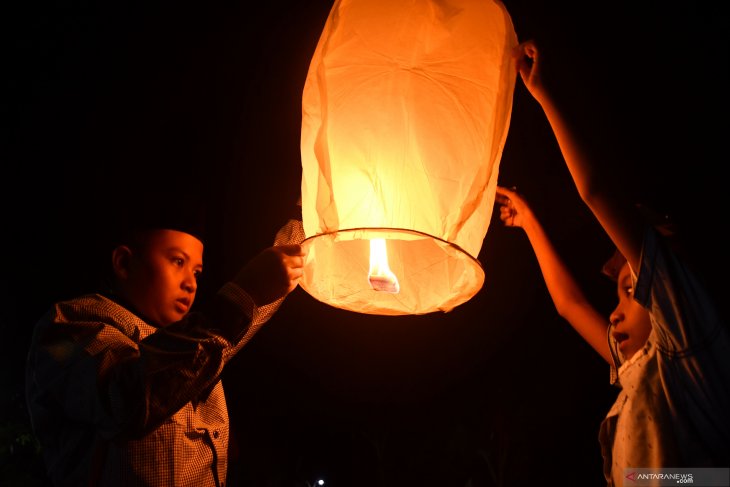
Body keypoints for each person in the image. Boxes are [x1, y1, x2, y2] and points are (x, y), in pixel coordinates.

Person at [497, 39, 730, 485]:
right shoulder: (643, 369)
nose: (615, 310)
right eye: (622, 292)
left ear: (669, 292)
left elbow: (595, 192)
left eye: (631, 288)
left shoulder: (688, 346)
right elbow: (568, 305)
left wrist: (544, 95)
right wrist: (528, 221)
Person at [24, 202, 307, 486]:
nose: (191, 283)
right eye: (177, 261)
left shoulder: (200, 347)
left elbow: (250, 312)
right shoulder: (69, 325)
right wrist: (245, 293)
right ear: (124, 263)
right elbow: (125, 399)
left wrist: (303, 218)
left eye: (196, 271)